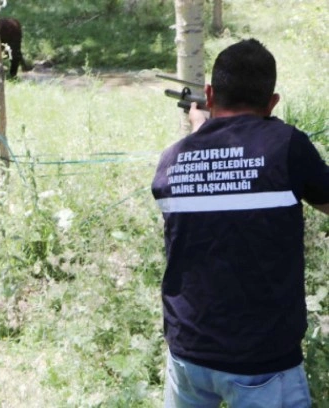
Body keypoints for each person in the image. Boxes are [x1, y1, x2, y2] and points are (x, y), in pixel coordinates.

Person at [152, 38, 329, 407]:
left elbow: (212, 183)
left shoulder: (171, 160)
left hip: (188, 355)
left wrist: (201, 129)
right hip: (261, 361)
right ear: (272, 102)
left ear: (211, 94)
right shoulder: (286, 146)